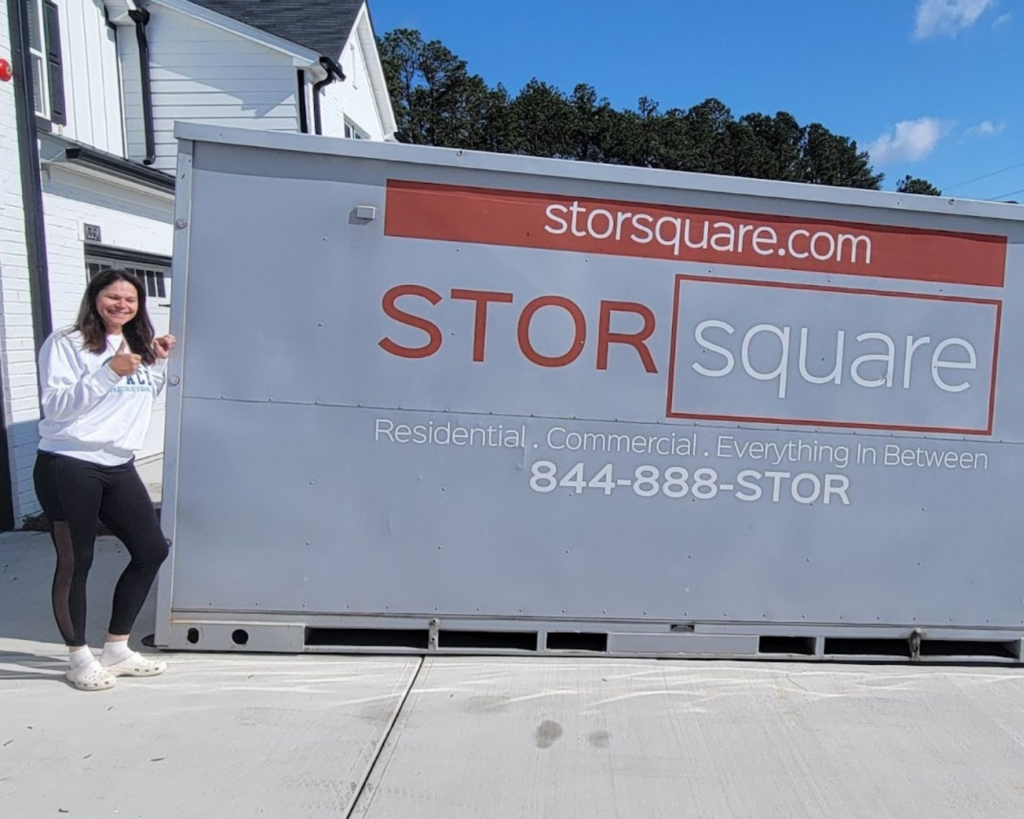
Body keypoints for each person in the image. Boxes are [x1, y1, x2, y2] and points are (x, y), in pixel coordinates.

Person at [33, 268, 177, 691]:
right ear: (95, 299)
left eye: (130, 300)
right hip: (69, 462)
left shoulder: (133, 344)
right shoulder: (68, 342)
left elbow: (139, 401)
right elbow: (57, 407)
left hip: (118, 463)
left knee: (151, 549)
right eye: (113, 297)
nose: (122, 305)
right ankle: (78, 658)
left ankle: (116, 647)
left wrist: (156, 363)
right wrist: (108, 371)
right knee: (77, 561)